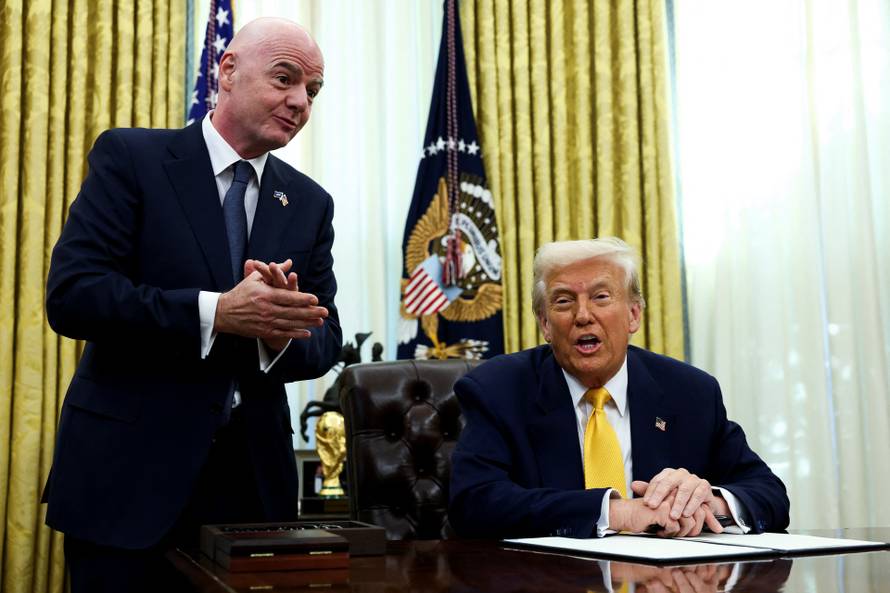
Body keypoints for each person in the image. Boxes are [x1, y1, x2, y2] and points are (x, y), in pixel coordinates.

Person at [43, 18, 341, 592]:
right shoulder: (133, 158)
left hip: (252, 492)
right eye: (286, 79)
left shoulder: (308, 203)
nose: (300, 102)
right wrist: (216, 312)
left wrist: (278, 330)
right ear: (227, 70)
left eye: (313, 91)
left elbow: (325, 342)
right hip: (127, 478)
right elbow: (74, 296)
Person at [449, 237, 789, 539]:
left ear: (633, 315)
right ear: (545, 324)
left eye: (601, 297)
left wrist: (707, 502)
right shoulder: (497, 390)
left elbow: (769, 494)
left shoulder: (691, 392)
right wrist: (619, 512)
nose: (583, 315)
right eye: (564, 302)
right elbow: (474, 503)